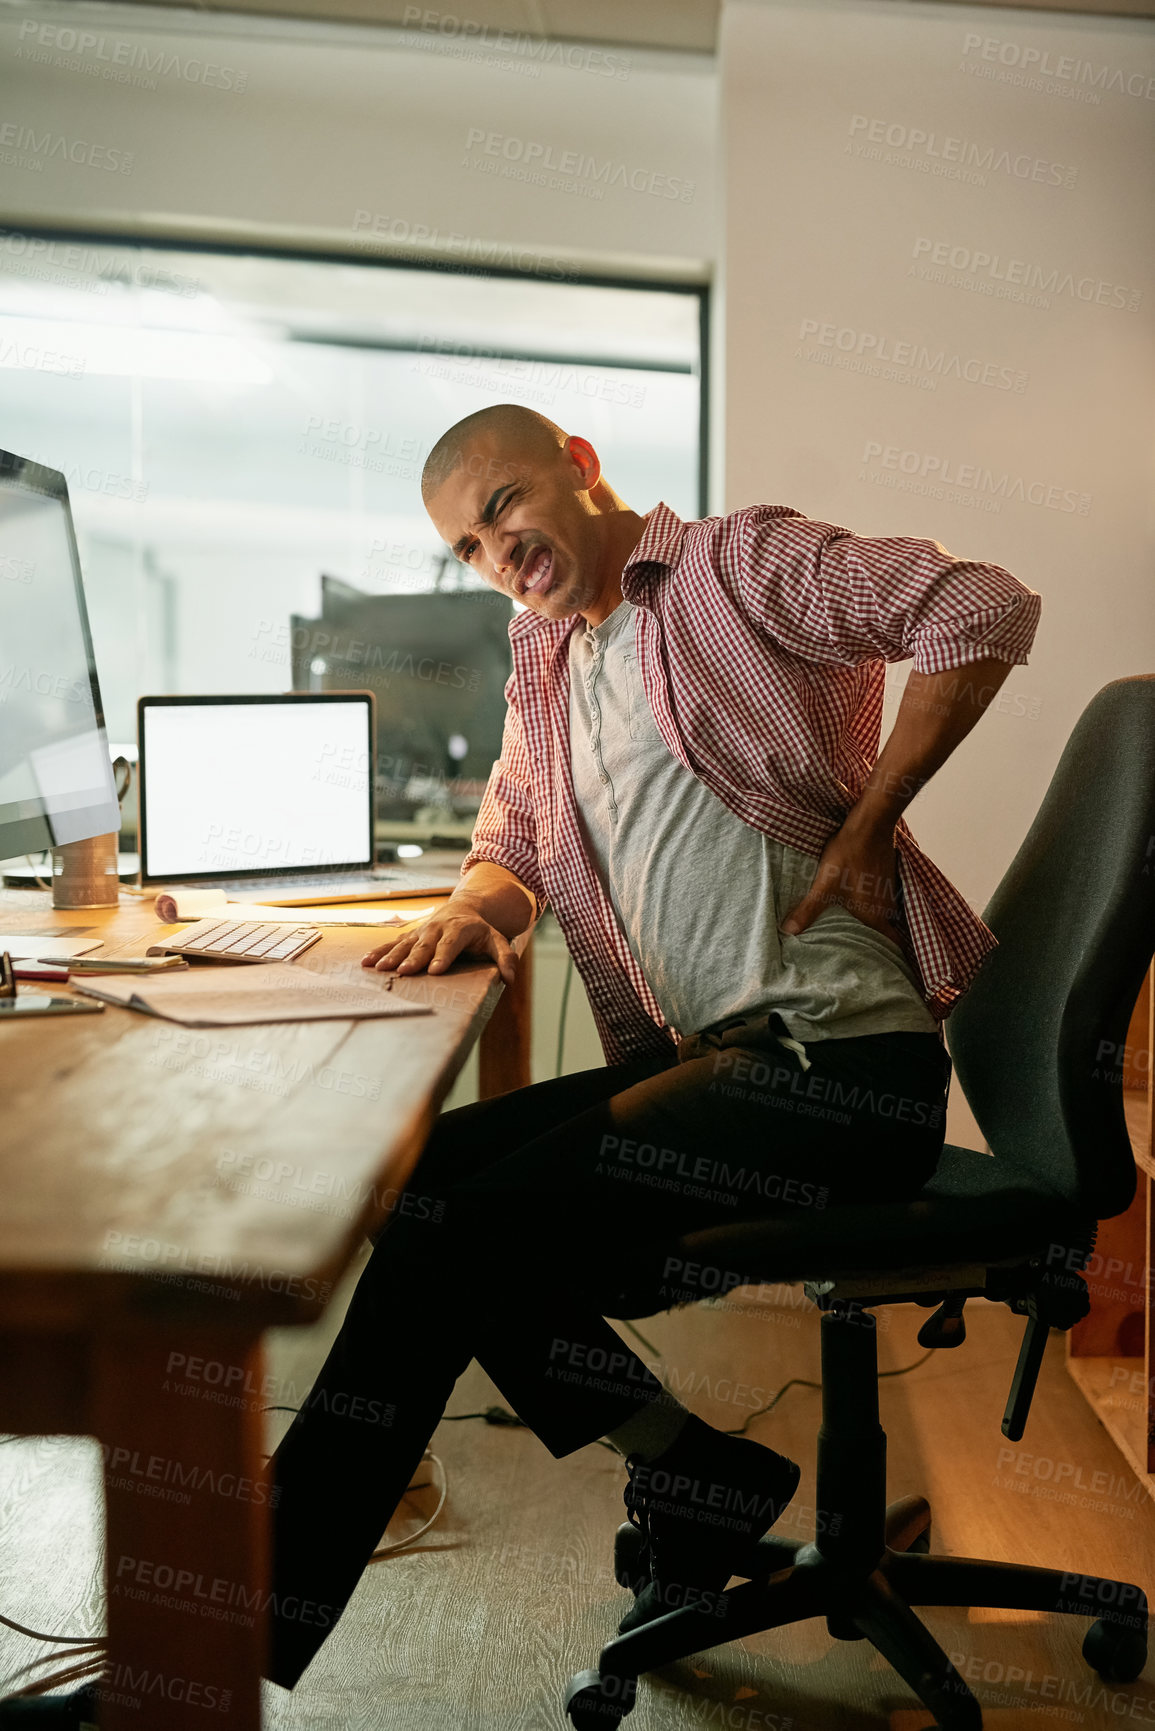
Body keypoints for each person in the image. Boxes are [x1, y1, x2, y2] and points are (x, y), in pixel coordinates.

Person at [265, 403, 1042, 1690]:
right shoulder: (545, 660)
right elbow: (514, 831)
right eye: (467, 546)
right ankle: (698, 1472)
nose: (498, 552)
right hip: (720, 1061)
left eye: (505, 506)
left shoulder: (738, 566)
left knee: (461, 1237)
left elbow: (982, 606)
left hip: (841, 1072)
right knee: (433, 1184)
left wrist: (868, 831)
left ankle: (228, 1634)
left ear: (578, 466)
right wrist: (474, 911)